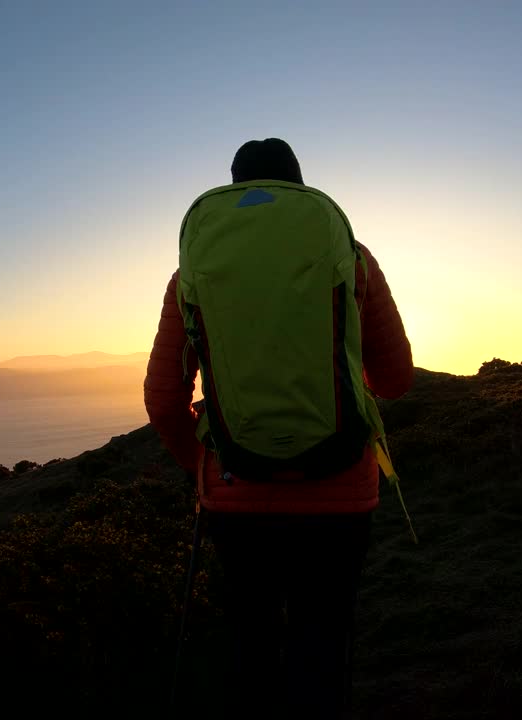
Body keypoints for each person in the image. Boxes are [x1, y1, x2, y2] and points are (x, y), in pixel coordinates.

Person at [145, 138, 413, 718]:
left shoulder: (189, 274)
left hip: (236, 495)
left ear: (234, 186)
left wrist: (204, 467)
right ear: (298, 185)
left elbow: (163, 397)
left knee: (251, 638)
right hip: (339, 491)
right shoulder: (352, 255)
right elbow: (394, 378)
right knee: (323, 639)